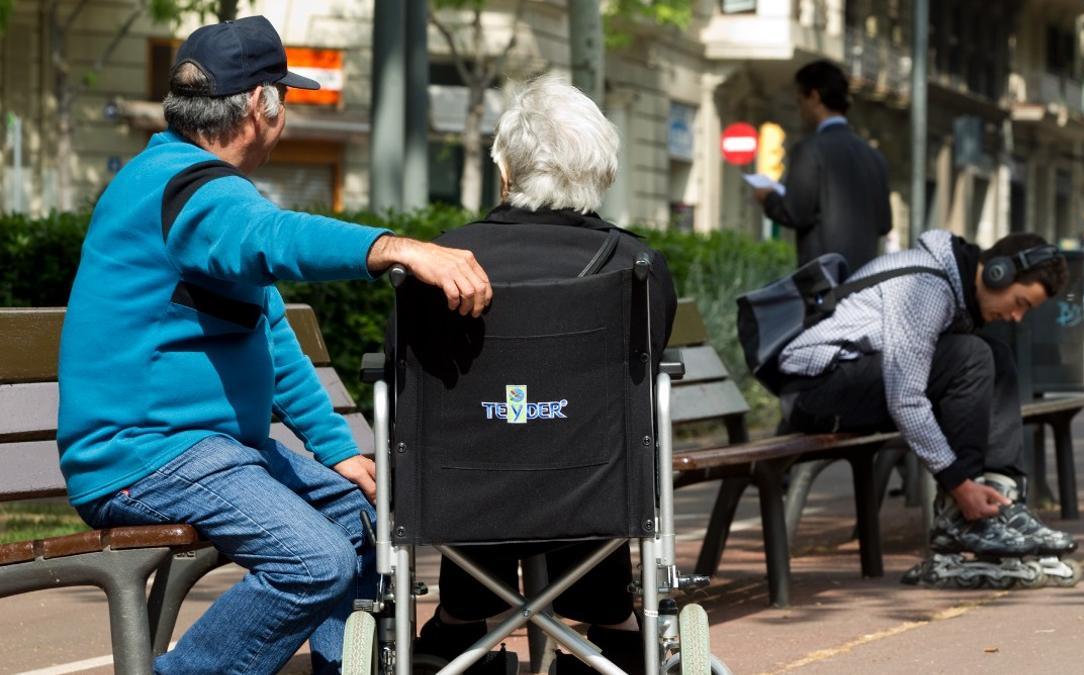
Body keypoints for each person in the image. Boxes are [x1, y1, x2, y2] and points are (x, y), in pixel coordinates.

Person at [56, 16, 492, 675]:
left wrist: (338, 451)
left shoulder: (187, 187)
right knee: (314, 560)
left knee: (361, 517)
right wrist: (395, 247)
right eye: (283, 98)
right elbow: (277, 238)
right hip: (149, 455)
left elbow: (272, 335)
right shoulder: (193, 191)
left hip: (211, 452)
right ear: (263, 106)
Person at [390, 74, 676, 674]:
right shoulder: (638, 265)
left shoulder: (441, 259)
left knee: (483, 436)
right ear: (601, 169)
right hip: (593, 487)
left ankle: (460, 624)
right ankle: (614, 624)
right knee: (583, 430)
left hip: (464, 491)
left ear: (505, 168)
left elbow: (407, 375)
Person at [776, 229, 1079, 586]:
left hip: (854, 381)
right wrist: (959, 483)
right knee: (973, 356)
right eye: (1020, 303)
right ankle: (961, 516)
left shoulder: (950, 287)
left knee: (996, 357)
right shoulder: (927, 289)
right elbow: (905, 398)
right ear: (1000, 273)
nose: (1016, 317)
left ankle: (1001, 503)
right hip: (815, 389)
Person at [753, 59, 892, 273]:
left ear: (814, 97)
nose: (800, 110)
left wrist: (768, 198)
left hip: (825, 285)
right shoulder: (875, 157)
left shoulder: (809, 150)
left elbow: (796, 213)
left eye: (800, 101)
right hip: (866, 284)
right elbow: (884, 223)